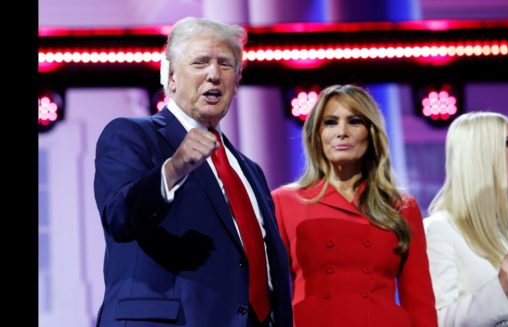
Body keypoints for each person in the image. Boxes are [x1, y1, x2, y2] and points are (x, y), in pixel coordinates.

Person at [94, 17, 293, 327]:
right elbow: (120, 216)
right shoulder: (132, 135)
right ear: (171, 77)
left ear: (237, 81)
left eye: (225, 65)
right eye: (200, 63)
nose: (214, 75)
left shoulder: (250, 171)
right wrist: (173, 169)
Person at [271, 84, 437, 327]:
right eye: (330, 122)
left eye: (354, 121)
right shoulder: (284, 202)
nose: (342, 132)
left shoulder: (401, 207)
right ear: (316, 135)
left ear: (371, 133)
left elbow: (420, 303)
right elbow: (267, 290)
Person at [424, 111, 508, 327]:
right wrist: (502, 288)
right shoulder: (439, 230)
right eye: (507, 143)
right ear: (479, 153)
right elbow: (439, 321)